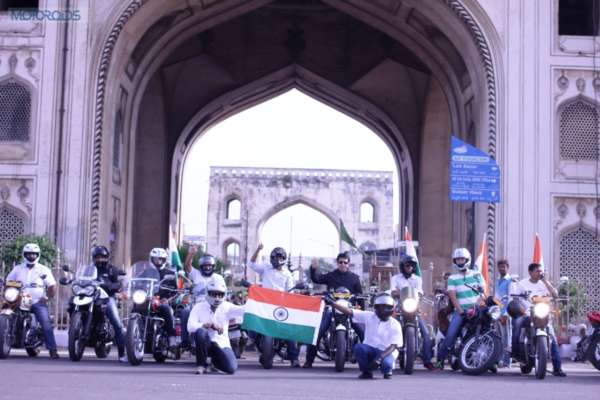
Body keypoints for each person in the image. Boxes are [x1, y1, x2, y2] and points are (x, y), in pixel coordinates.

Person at [303, 251, 365, 368]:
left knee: (363, 332)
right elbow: (316, 279)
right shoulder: (331, 275)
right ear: (337, 263)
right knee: (319, 331)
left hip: (349, 310)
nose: (342, 264)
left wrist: (361, 310)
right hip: (332, 309)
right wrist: (313, 269)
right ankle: (309, 360)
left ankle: (369, 361)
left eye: (345, 262)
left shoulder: (354, 278)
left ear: (348, 264)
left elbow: (360, 295)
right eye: (340, 262)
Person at [326, 292, 403, 379]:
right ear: (376, 308)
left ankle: (387, 371)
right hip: (370, 349)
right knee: (359, 348)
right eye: (380, 307)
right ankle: (366, 372)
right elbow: (350, 312)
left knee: (386, 364)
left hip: (386, 352)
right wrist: (332, 303)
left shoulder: (395, 324)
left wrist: (380, 358)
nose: (383, 309)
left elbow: (393, 346)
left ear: (391, 308)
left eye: (386, 307)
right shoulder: (369, 316)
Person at [248, 243, 300, 367]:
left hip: (281, 305)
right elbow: (251, 264)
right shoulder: (266, 268)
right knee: (252, 321)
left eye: (280, 258)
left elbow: (291, 291)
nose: (278, 260)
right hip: (265, 303)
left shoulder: (287, 274)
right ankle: (252, 340)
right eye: (275, 257)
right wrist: (258, 249)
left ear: (284, 259)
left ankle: (294, 358)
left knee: (290, 329)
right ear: (271, 258)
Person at [511, 263, 566, 377]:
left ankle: (557, 368)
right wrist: (519, 301)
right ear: (530, 272)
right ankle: (516, 354)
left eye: (541, 271)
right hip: (526, 314)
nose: (540, 273)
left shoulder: (544, 283)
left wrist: (546, 281)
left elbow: (555, 295)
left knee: (552, 338)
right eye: (537, 271)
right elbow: (514, 297)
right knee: (516, 323)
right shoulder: (522, 284)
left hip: (542, 315)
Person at [6, 243, 59, 359]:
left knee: (46, 324)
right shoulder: (18, 269)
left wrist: (46, 297)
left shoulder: (43, 270)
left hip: (37, 302)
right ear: (24, 255)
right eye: (29, 254)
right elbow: (8, 281)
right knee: (4, 313)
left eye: (34, 254)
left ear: (38, 255)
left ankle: (53, 350)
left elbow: (52, 285)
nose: (31, 256)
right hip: (20, 300)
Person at [436, 248, 484, 369]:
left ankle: (492, 361)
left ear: (467, 260)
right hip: (461, 311)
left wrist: (476, 306)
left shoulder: (477, 274)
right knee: (451, 335)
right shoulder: (453, 278)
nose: (460, 261)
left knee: (486, 331)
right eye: (458, 259)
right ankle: (440, 360)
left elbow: (482, 293)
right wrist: (460, 310)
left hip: (476, 310)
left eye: (462, 259)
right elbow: (452, 295)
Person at [390, 254, 436, 371]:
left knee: (426, 334)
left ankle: (427, 360)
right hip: (399, 309)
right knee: (389, 331)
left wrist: (419, 295)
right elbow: (393, 292)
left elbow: (420, 293)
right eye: (407, 265)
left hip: (413, 309)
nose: (409, 267)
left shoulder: (417, 279)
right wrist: (397, 293)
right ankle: (384, 357)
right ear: (402, 266)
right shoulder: (395, 279)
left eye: (411, 265)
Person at [187, 280, 243, 375]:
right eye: (214, 294)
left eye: (220, 295)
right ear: (208, 293)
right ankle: (201, 365)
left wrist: (255, 300)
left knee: (231, 368)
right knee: (200, 332)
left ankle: (214, 363)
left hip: (222, 344)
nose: (217, 298)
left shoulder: (227, 307)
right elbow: (190, 327)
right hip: (206, 342)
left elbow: (243, 310)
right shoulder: (199, 307)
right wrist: (207, 325)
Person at [182, 246, 226, 348]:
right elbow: (187, 266)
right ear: (201, 266)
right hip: (197, 305)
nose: (207, 267)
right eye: (205, 266)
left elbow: (224, 293)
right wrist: (191, 254)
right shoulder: (196, 274)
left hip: (215, 305)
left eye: (209, 266)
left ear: (213, 266)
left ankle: (229, 341)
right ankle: (185, 341)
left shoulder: (218, 278)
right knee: (185, 312)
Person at [90, 245, 127, 362]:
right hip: (91, 296)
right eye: (97, 257)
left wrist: (110, 286)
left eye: (102, 257)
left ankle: (122, 353)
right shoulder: (90, 269)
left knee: (116, 322)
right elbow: (82, 278)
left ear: (107, 257)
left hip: (107, 298)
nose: (100, 259)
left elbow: (119, 285)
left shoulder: (112, 270)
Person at [148, 247, 178, 349]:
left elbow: (176, 291)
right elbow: (137, 283)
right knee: (135, 308)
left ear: (164, 260)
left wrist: (167, 299)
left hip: (162, 302)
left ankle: (171, 336)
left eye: (161, 259)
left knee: (166, 309)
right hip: (148, 300)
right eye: (156, 259)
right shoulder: (146, 271)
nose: (158, 261)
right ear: (151, 259)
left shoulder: (170, 274)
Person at [495, 259, 512, 368]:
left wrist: (505, 313)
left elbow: (509, 298)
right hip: (498, 313)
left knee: (506, 338)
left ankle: (507, 362)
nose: (501, 269)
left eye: (503, 267)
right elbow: (497, 298)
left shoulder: (510, 281)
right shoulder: (498, 281)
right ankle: (499, 360)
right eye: (500, 267)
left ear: (507, 267)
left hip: (506, 313)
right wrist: (497, 311)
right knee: (499, 338)